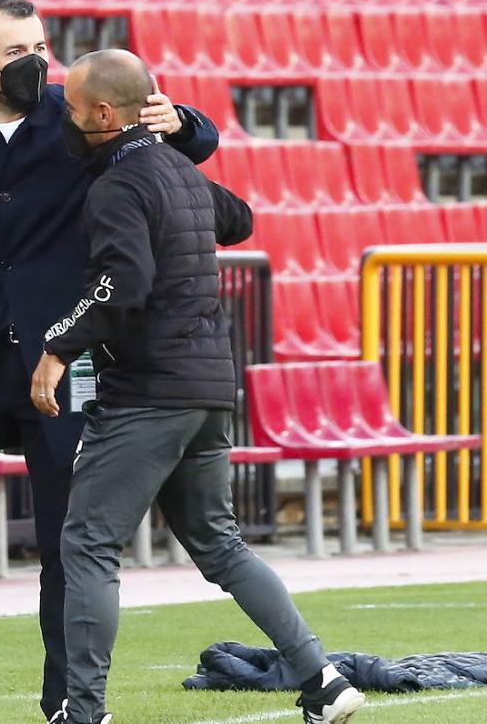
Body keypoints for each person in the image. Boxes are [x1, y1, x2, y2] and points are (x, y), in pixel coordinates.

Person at [0, 0, 221, 724]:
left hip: (60, 357)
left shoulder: (78, 115)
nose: (36, 63)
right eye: (18, 51)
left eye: (41, 47)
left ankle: (66, 700)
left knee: (68, 537)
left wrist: (180, 120)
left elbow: (195, 142)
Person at [30, 49, 367, 724]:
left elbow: (120, 285)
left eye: (70, 110)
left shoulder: (119, 186)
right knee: (219, 543)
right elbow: (237, 219)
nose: (63, 121)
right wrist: (179, 143)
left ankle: (84, 713)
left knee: (88, 544)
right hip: (210, 386)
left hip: (149, 392)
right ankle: (322, 681)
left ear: (102, 113)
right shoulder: (174, 169)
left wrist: (56, 346)